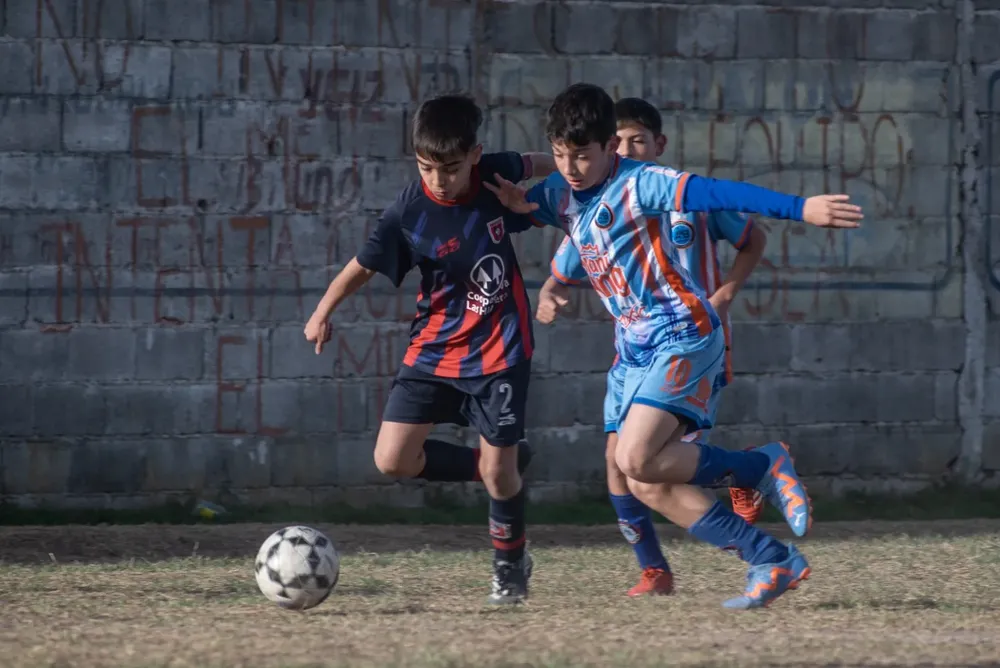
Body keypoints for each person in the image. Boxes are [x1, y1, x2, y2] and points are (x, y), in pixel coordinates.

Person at [486, 83, 863, 609]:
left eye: (582, 155)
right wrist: (517, 207)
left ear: (608, 149)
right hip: (632, 352)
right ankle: (771, 559)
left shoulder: (644, 184)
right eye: (559, 155)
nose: (569, 167)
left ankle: (761, 467)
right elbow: (536, 210)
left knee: (637, 456)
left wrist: (802, 208)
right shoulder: (559, 193)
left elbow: (721, 193)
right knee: (641, 479)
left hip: (683, 333)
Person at [304, 94, 555, 605]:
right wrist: (323, 310)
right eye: (426, 167)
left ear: (475, 155)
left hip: (500, 351)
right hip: (435, 351)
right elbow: (364, 264)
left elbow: (543, 164)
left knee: (501, 477)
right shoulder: (409, 209)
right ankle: (494, 464)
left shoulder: (494, 175)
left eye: (451, 168)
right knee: (392, 459)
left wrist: (575, 179)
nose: (438, 179)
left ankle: (509, 566)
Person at [538, 97, 768, 598]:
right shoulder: (604, 201)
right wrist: (551, 288)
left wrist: (726, 292)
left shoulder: (685, 196)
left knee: (648, 460)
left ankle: (753, 486)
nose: (625, 149)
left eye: (636, 140)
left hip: (692, 339)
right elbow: (573, 257)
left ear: (658, 146)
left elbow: (754, 237)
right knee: (620, 459)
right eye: (617, 142)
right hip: (638, 350)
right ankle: (655, 569)